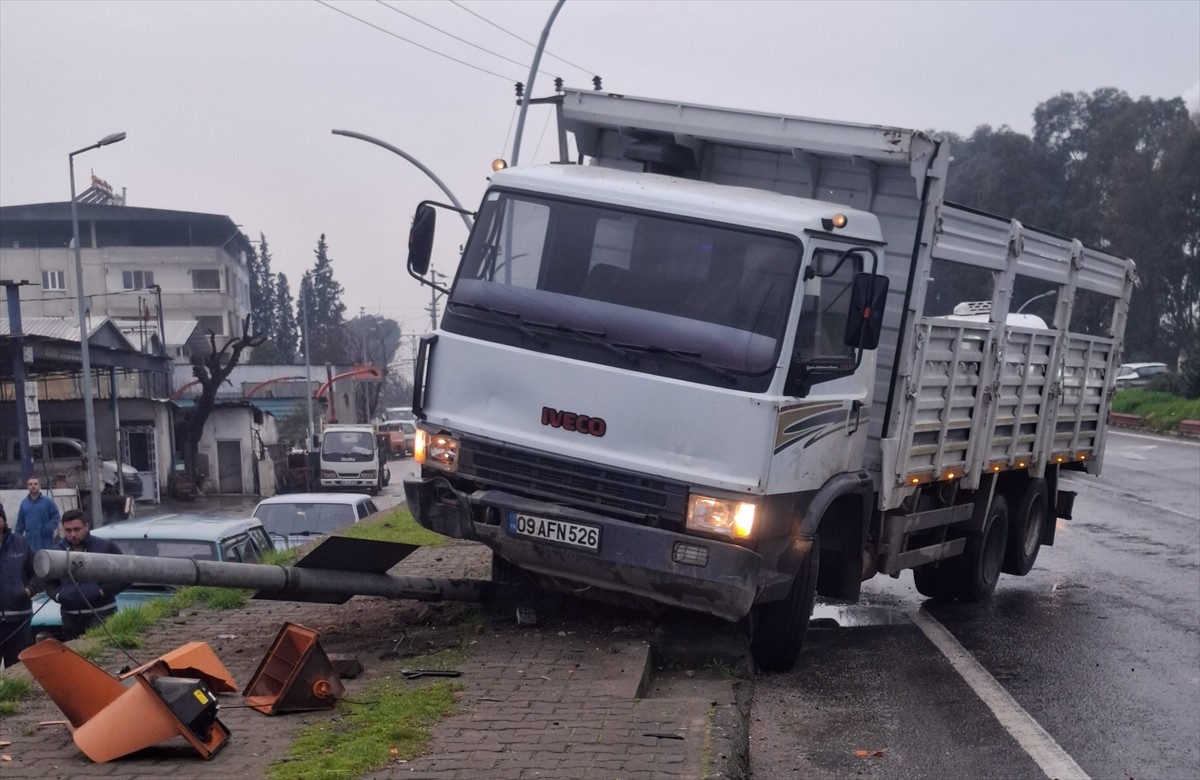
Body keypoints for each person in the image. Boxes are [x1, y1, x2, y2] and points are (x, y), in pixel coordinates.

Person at [44, 509, 123, 640]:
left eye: (77, 529)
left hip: (102, 614)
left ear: (86, 526)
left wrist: (102, 591)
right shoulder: (57, 552)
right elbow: (48, 582)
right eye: (68, 531)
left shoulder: (105, 547)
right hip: (70, 618)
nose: (73, 534)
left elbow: (125, 576)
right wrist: (58, 596)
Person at [0, 502, 41, 667]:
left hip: (19, 621)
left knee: (18, 672)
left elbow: (39, 574)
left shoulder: (21, 543)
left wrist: (29, 590)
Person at [15, 477, 61, 553]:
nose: (33, 486)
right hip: (30, 542)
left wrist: (48, 528)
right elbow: (20, 523)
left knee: (45, 562)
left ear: (39, 486)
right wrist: (16, 539)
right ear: (27, 487)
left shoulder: (48, 502)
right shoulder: (24, 504)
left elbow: (56, 517)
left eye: (35, 484)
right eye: (30, 484)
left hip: (46, 542)